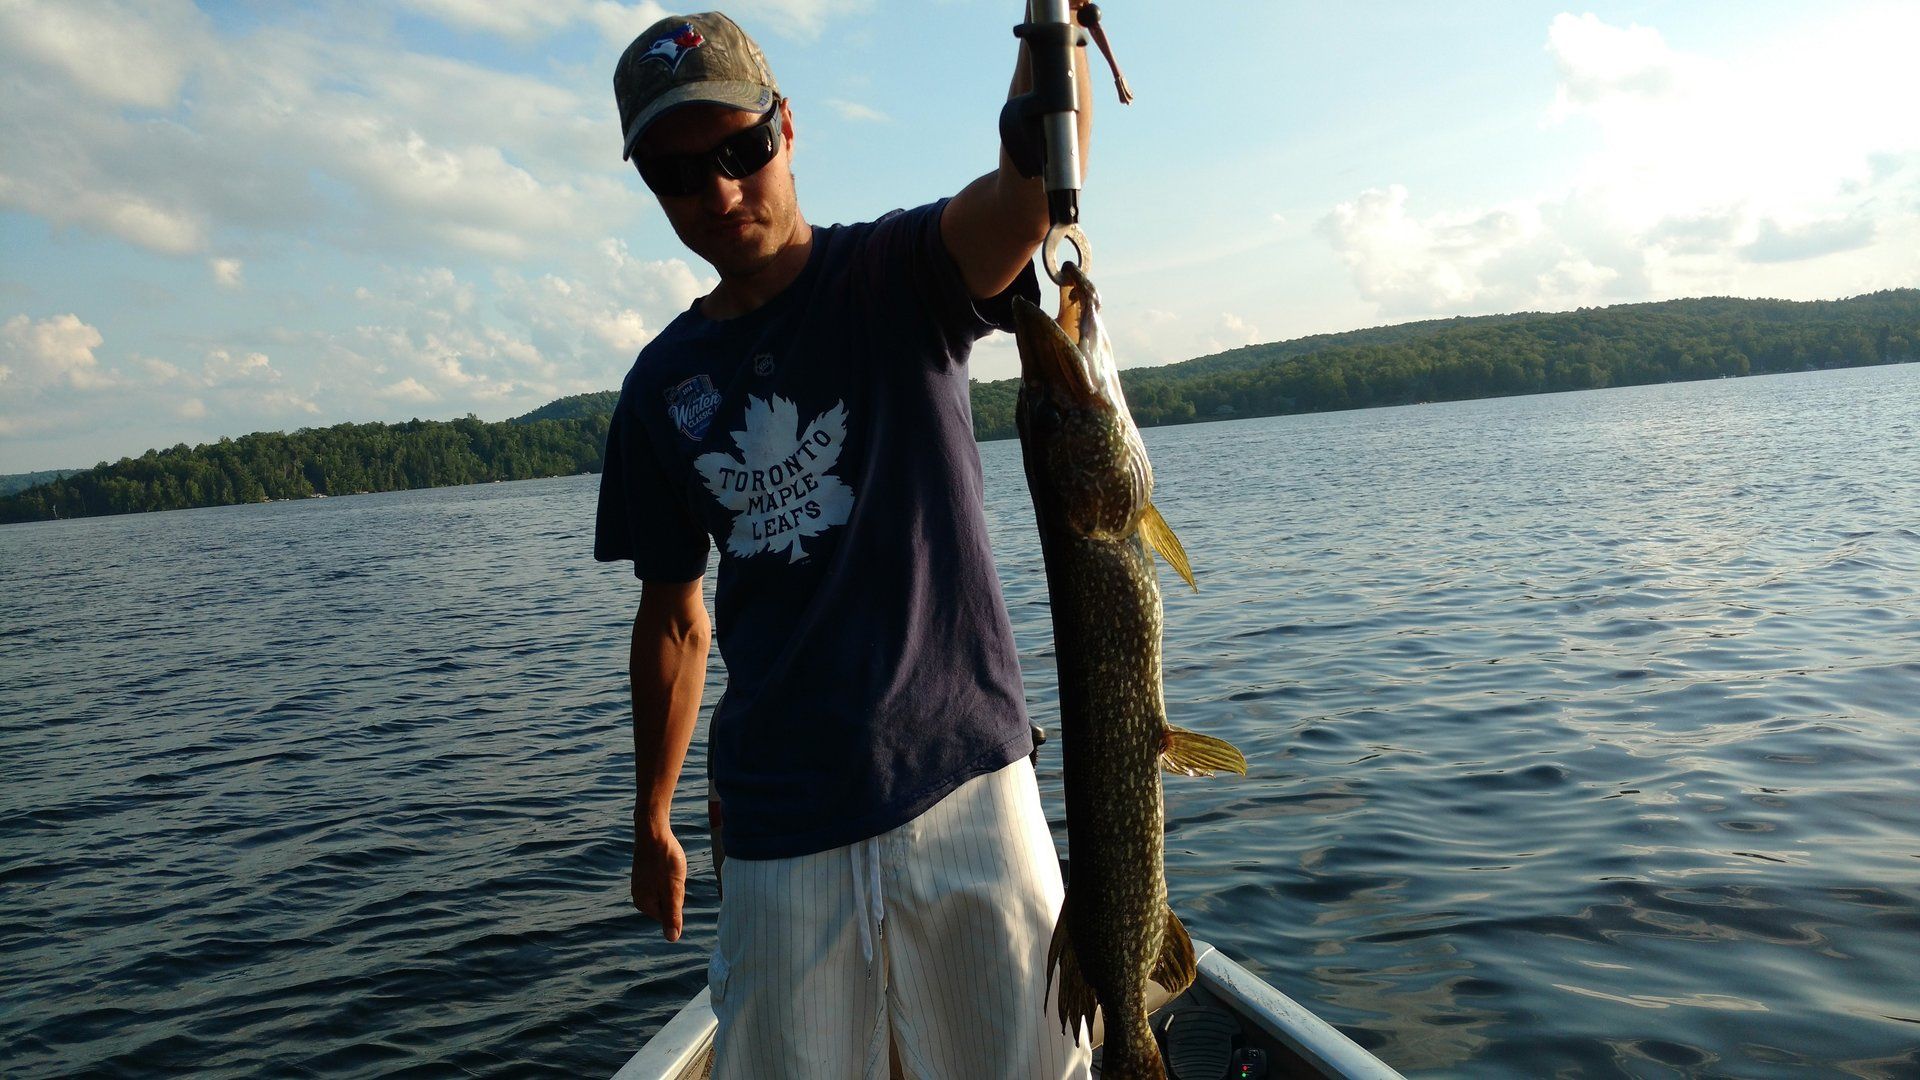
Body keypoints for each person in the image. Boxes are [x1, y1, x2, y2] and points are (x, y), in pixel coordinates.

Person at [594, 8, 1094, 1078]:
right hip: (779, 831)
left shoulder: (899, 274)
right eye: (683, 176)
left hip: (966, 785)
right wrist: (650, 819)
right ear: (651, 189)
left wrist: (1052, 34)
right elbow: (675, 617)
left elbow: (1028, 191)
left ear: (787, 127)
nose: (721, 192)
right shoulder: (658, 390)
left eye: (741, 151)